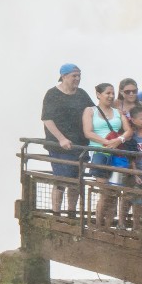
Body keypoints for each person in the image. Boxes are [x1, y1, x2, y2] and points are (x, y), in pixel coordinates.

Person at [40, 64, 94, 218]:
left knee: (76, 179)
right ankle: (56, 213)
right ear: (64, 76)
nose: (77, 79)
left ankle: (71, 212)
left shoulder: (82, 94)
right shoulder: (52, 94)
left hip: (80, 144)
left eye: (79, 75)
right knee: (61, 180)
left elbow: (93, 112)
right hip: (59, 146)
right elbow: (47, 119)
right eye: (73, 76)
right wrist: (61, 138)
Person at [85, 82, 129, 226]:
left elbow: (129, 130)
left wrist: (119, 139)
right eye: (107, 93)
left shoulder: (118, 112)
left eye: (112, 93)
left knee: (114, 192)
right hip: (99, 152)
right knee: (105, 192)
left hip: (116, 153)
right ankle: (98, 224)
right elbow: (88, 132)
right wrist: (106, 142)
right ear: (98, 94)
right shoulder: (90, 111)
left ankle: (109, 224)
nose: (111, 96)